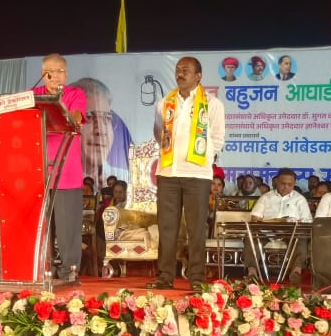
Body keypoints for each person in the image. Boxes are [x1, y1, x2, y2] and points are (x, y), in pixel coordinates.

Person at [146, 56, 225, 292]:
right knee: (167, 227)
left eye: (186, 70)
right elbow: (159, 133)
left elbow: (218, 139)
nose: (181, 74)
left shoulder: (212, 104)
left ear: (198, 76)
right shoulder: (164, 103)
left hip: (197, 175)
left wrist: (203, 161)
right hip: (168, 172)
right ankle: (165, 276)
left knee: (196, 228)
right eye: (178, 70)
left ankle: (197, 278)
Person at [32, 53, 88, 281]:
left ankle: (68, 273)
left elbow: (75, 117)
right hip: (36, 170)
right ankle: (37, 271)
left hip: (66, 170)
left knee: (68, 230)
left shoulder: (75, 94)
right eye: (51, 72)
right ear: (43, 74)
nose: (57, 76)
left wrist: (59, 103)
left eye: (61, 71)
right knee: (40, 229)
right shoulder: (33, 95)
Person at [246, 168, 311, 284]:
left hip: (291, 232)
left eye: (289, 184)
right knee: (251, 236)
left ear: (294, 184)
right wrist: (263, 221)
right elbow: (255, 217)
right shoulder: (266, 197)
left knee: (301, 237)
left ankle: (296, 272)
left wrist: (296, 222)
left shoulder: (300, 199)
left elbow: (307, 221)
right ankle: (252, 273)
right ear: (276, 182)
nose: (286, 187)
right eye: (283, 184)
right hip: (267, 231)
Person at [70, 77, 132, 186]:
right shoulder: (52, 181)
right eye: (88, 117)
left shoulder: (127, 180)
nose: (100, 131)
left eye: (107, 118)